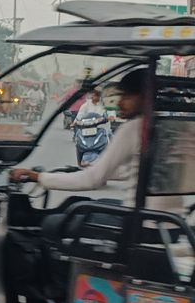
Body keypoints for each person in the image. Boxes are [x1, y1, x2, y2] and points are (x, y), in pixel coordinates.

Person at [11, 70, 171, 209]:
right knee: (81, 203)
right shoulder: (170, 128)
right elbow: (137, 170)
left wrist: (38, 177)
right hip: (171, 224)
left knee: (59, 221)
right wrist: (100, 167)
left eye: (126, 96)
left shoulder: (135, 128)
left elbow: (92, 180)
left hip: (139, 223)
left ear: (144, 97)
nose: (120, 102)